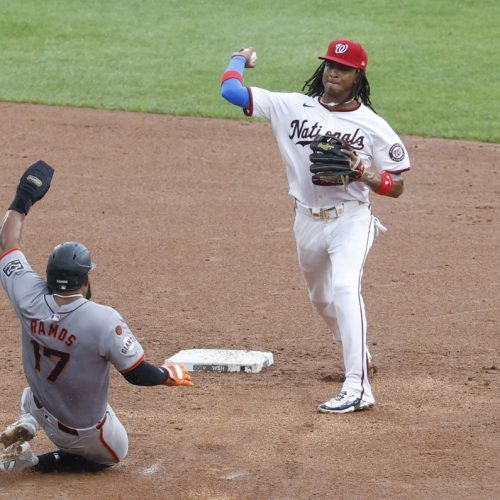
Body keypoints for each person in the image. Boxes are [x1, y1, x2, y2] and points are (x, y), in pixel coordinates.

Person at [220, 39, 410, 413]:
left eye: (342, 67)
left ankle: (358, 387)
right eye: (328, 65)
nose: (332, 72)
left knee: (343, 288)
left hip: (351, 219)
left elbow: (398, 185)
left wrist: (365, 174)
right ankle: (358, 349)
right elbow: (230, 90)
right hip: (306, 220)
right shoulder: (291, 106)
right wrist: (239, 58)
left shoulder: (373, 126)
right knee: (321, 299)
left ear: (358, 75)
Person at [0, 161, 193, 473]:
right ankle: (34, 462)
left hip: (39, 401)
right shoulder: (103, 320)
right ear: (84, 281)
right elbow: (136, 373)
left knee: (40, 390)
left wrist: (24, 197)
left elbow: (7, 242)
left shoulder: (26, 294)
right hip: (78, 431)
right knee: (115, 453)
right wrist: (166, 374)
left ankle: (30, 419)